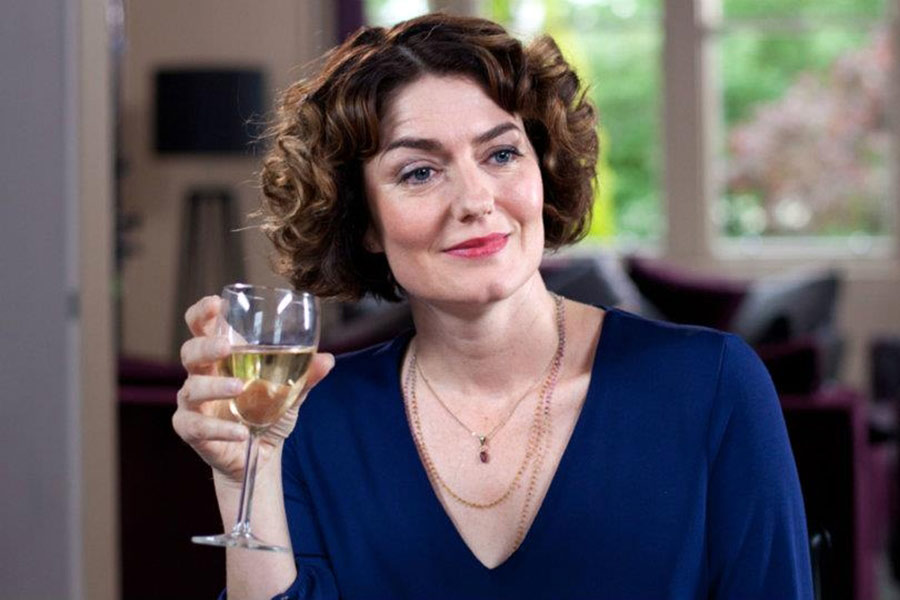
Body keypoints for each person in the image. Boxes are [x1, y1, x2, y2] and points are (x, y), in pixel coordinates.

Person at [172, 13, 813, 600]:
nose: (476, 200)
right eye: (419, 172)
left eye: (501, 154)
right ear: (361, 218)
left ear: (543, 168)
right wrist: (244, 478)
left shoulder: (710, 385)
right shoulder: (308, 420)